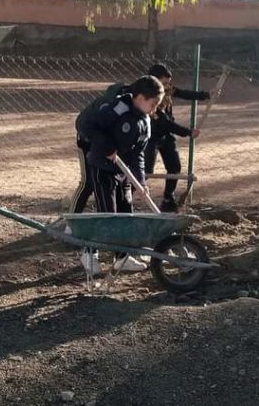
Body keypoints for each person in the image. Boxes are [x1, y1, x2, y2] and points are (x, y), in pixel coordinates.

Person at [76, 75, 165, 274]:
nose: (154, 109)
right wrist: (106, 146)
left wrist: (140, 181)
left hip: (123, 172)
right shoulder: (116, 109)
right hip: (102, 167)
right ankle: (88, 252)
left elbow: (139, 154)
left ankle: (121, 257)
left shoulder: (145, 121)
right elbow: (85, 124)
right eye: (153, 104)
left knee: (125, 214)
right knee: (108, 215)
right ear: (140, 97)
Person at [144, 64, 209, 212]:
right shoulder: (149, 97)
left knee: (174, 167)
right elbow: (165, 123)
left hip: (167, 135)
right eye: (164, 83)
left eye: (168, 83)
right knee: (146, 169)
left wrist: (206, 95)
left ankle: (168, 199)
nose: (167, 86)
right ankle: (127, 194)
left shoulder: (167, 90)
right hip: (151, 136)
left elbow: (184, 93)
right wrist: (188, 132)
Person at [69, 82, 127, 213]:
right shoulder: (112, 104)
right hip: (87, 141)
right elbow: (83, 124)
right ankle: (71, 218)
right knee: (88, 182)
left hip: (106, 145)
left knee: (117, 181)